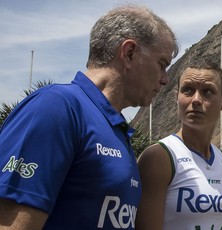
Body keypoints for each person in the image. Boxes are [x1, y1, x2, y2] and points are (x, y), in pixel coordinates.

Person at [0, 5, 178, 230]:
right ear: (129, 53)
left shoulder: (116, 129)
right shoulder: (57, 106)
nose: (165, 79)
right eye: (162, 65)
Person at [136, 61, 222, 230]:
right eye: (188, 90)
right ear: (177, 97)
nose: (196, 100)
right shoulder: (159, 157)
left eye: (207, 92)